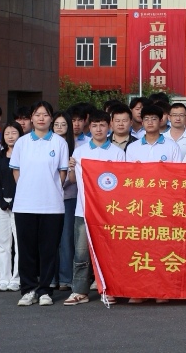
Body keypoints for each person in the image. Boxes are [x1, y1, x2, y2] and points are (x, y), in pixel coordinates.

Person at [11, 101, 69, 307]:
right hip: (25, 205)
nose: (41, 118)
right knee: (26, 250)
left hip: (52, 206)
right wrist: (29, 188)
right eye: (37, 114)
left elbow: (62, 173)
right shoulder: (22, 142)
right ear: (31, 118)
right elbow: (16, 171)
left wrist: (49, 189)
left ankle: (45, 290)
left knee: (48, 250)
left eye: (45, 114)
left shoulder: (59, 143)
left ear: (51, 118)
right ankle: (27, 289)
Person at [65, 110, 125, 306]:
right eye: (94, 126)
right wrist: (72, 168)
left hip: (109, 211)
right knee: (81, 253)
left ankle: (109, 289)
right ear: (88, 128)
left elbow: (122, 183)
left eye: (102, 125)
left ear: (109, 128)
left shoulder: (117, 152)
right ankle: (79, 291)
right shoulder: (81, 151)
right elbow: (73, 181)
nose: (98, 129)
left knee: (108, 252)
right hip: (83, 210)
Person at [0, 122, 23, 293]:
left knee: (19, 243)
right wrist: (2, 201)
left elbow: (24, 180)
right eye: (7, 133)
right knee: (2, 243)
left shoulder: (25, 155)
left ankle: (16, 278)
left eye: (14, 133)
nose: (10, 136)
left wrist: (14, 201)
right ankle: (3, 278)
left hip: (20, 203)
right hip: (0, 203)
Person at [52, 113, 78, 292]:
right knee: (50, 240)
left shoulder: (77, 147)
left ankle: (66, 277)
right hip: (49, 198)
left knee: (66, 238)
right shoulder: (46, 145)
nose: (60, 127)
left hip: (69, 197)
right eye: (56, 124)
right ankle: (50, 277)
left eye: (63, 124)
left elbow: (74, 176)